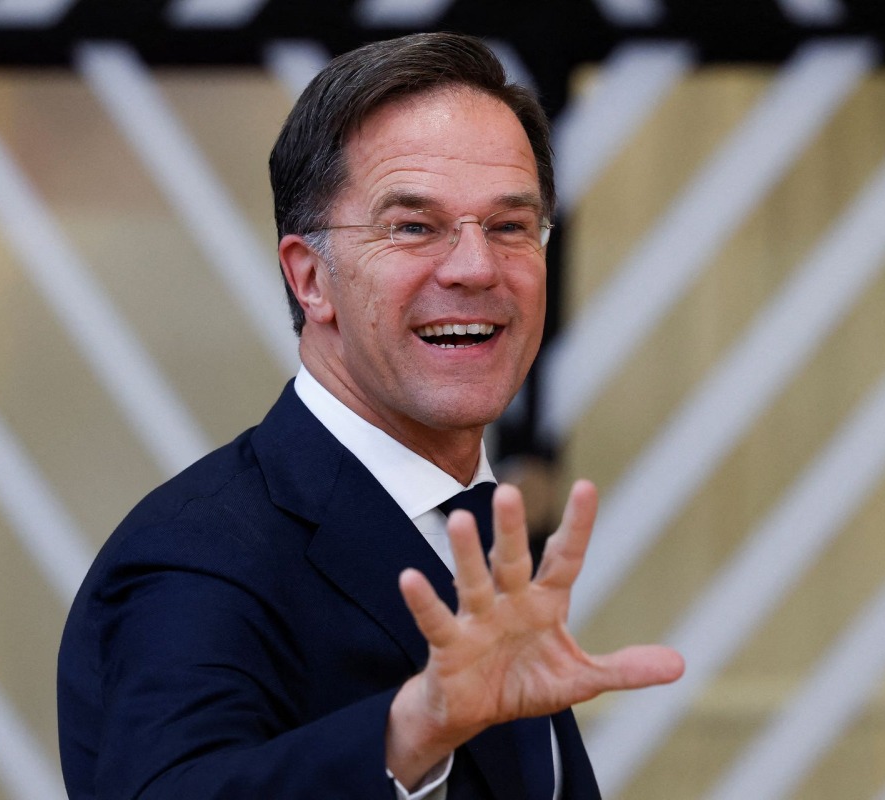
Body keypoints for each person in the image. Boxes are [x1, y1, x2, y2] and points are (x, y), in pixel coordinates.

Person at [57, 32, 684, 799]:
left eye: (511, 226)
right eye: (413, 227)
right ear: (310, 277)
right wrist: (410, 731)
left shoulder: (487, 531)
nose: (476, 267)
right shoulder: (199, 551)